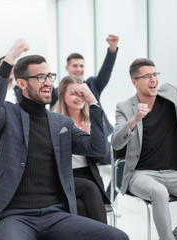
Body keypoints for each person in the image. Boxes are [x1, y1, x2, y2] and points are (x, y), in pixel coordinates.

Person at [0, 38, 129, 240]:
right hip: (16, 216)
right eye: (40, 77)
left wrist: (92, 103)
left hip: (56, 215)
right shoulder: (8, 114)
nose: (48, 82)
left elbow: (98, 149)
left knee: (118, 237)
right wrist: (10, 58)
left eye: (49, 76)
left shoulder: (61, 123)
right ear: (21, 83)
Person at [111, 36, 177, 240]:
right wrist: (134, 120)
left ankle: (176, 236)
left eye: (155, 74)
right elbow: (116, 141)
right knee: (159, 192)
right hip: (140, 175)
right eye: (147, 76)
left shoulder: (171, 95)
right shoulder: (124, 107)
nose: (154, 79)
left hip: (172, 173)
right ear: (134, 82)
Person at [54, 34, 121, 199]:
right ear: (67, 68)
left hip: (97, 138)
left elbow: (106, 72)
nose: (79, 69)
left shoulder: (92, 85)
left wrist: (112, 49)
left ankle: (108, 199)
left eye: (81, 66)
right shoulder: (58, 93)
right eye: (75, 65)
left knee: (123, 164)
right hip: (75, 148)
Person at [53, 75, 110, 223]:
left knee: (82, 206)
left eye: (81, 93)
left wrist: (91, 138)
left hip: (88, 175)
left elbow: (100, 156)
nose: (78, 97)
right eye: (72, 93)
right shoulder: (55, 121)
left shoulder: (92, 119)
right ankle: (107, 234)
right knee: (89, 190)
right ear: (62, 96)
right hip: (64, 176)